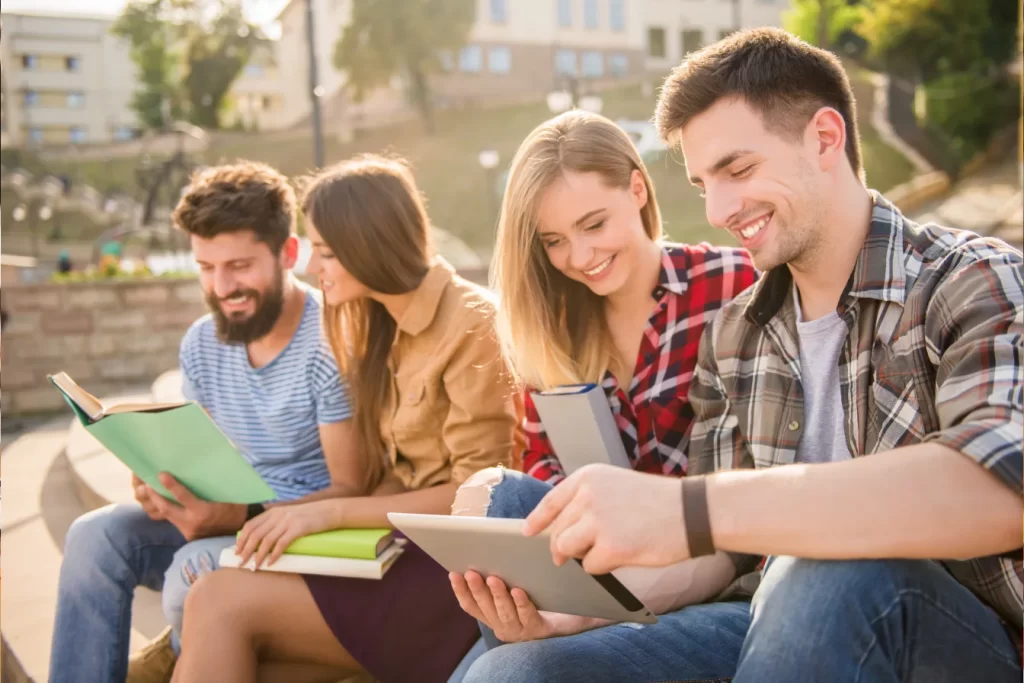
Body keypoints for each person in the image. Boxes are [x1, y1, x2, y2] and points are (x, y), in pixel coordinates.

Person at [515, 27, 1023, 683]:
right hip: (762, 620)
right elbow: (722, 552)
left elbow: (1002, 486)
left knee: (824, 569)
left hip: (961, 647)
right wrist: (584, 610)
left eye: (739, 169)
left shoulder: (972, 279)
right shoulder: (734, 333)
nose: (720, 208)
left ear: (825, 138)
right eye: (703, 184)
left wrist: (690, 506)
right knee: (524, 668)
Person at [171, 155, 517, 683]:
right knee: (225, 625)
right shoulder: (365, 321)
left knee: (218, 601)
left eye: (327, 253)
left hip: (451, 571)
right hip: (387, 548)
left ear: (368, 247)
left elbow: (483, 494)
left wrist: (331, 514)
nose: (312, 269)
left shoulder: (473, 323)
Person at [448, 110, 760, 682]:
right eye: (554, 241)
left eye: (594, 224)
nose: (580, 257)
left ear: (637, 188)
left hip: (716, 581)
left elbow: (744, 514)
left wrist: (580, 612)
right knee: (494, 502)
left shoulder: (732, 285)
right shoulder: (555, 328)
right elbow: (544, 477)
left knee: (496, 673)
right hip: (597, 574)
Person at [49, 162, 358, 683]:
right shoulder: (202, 342)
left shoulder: (330, 340)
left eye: (239, 265)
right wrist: (159, 481)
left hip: (297, 534)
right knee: (93, 536)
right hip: (228, 518)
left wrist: (241, 514)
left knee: (187, 581)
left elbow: (354, 486)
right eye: (206, 267)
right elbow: (200, 450)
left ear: (287, 254)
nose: (222, 287)